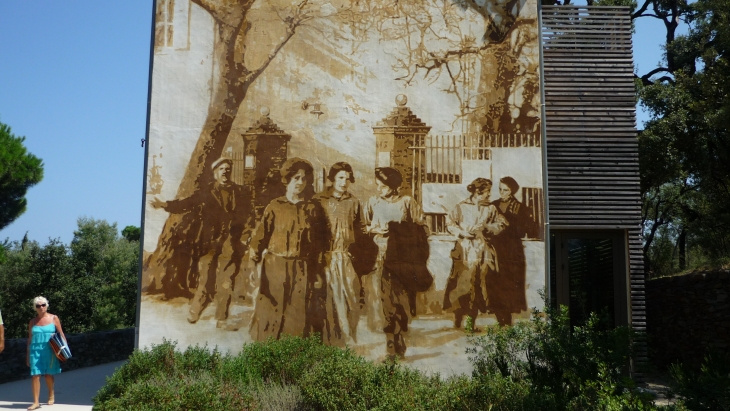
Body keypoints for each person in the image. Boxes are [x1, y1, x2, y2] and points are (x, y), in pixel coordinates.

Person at [150, 157, 254, 325]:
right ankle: (195, 311)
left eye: (228, 169)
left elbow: (250, 216)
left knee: (226, 280)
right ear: (215, 173)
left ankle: (221, 316)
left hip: (231, 243)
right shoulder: (206, 192)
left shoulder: (241, 192)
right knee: (205, 278)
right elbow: (187, 203)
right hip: (209, 243)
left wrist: (244, 238)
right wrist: (165, 204)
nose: (225, 171)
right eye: (222, 169)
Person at [248, 158, 330, 341]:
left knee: (298, 312)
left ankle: (293, 357)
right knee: (271, 309)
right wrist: (252, 266)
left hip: (303, 267)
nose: (300, 182)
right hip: (274, 267)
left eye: (303, 178)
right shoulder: (275, 207)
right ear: (287, 180)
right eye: (296, 178)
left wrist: (318, 271)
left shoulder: (314, 208)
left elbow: (321, 243)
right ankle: (267, 350)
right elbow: (259, 239)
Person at [363, 167, 428, 358]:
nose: (379, 189)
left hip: (402, 259)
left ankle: (399, 334)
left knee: (401, 301)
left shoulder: (407, 203)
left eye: (383, 186)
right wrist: (374, 230)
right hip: (379, 257)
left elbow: (422, 228)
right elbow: (363, 226)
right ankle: (390, 342)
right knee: (385, 300)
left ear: (393, 186)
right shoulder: (372, 202)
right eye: (377, 186)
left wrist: (401, 235)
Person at [443, 178, 507, 329]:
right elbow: (449, 223)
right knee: (463, 287)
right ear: (478, 192)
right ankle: (458, 319)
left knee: (482, 286)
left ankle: (472, 322)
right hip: (465, 251)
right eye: (487, 192)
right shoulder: (461, 207)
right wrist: (463, 233)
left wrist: (488, 228)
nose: (489, 195)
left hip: (484, 252)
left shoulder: (490, 208)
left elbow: (502, 223)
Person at [315, 162, 365, 346]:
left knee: (352, 298)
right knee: (334, 299)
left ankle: (351, 333)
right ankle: (342, 340)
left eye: (347, 178)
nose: (344, 182)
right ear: (332, 179)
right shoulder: (320, 201)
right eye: (340, 178)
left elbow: (360, 230)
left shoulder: (353, 202)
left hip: (347, 257)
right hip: (328, 257)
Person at [487, 176, 530, 325]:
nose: (502, 193)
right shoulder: (493, 205)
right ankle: (500, 317)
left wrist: (508, 224)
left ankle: (508, 319)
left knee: (509, 285)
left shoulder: (520, 207)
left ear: (512, 191)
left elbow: (523, 231)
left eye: (505, 190)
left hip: (512, 252)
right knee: (495, 283)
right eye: (500, 189)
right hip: (496, 250)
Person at [26, 296, 65, 410]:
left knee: (48, 374)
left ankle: (51, 393)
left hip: (50, 349)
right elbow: (29, 339)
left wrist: (64, 349)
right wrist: (28, 355)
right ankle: (36, 402)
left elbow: (61, 334)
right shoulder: (32, 322)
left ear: (46, 305)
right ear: (35, 308)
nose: (41, 307)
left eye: (43, 305)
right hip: (35, 350)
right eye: (38, 306)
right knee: (35, 375)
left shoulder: (54, 318)